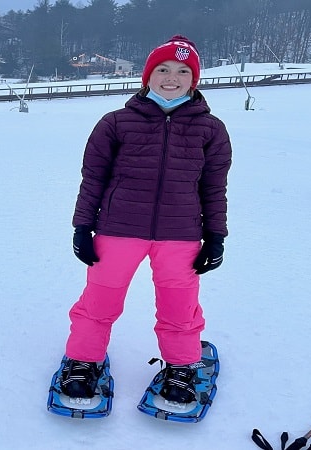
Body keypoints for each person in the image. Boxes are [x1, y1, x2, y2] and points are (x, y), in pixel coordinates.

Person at [59, 35, 233, 404]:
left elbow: (214, 187)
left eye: (183, 71)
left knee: (179, 305)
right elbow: (93, 178)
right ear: (148, 76)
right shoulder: (116, 123)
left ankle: (181, 366)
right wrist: (82, 227)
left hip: (181, 234)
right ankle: (83, 360)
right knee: (99, 300)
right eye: (163, 69)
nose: (172, 78)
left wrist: (216, 236)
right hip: (118, 230)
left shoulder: (211, 129)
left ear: (194, 79)